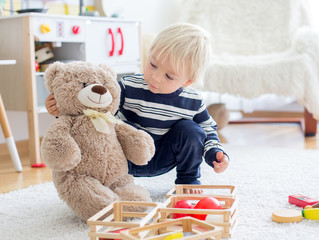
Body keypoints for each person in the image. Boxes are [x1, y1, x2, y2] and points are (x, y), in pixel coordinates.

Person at [45, 23, 229, 187]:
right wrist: (60, 109)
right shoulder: (127, 85)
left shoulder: (193, 100)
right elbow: (95, 111)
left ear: (187, 82)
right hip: (125, 157)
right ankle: (106, 181)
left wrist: (215, 152)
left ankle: (187, 182)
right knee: (113, 125)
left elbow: (208, 129)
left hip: (163, 156)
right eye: (153, 65)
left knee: (192, 130)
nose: (156, 77)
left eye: (169, 76)